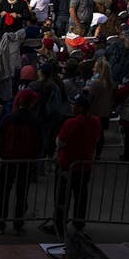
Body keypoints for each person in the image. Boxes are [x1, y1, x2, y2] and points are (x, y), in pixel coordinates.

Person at [47, 94, 101, 236]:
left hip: (67, 164)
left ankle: (59, 224)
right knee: (81, 195)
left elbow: (60, 142)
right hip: (85, 164)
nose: (72, 106)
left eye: (74, 104)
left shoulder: (71, 123)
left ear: (80, 107)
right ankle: (79, 222)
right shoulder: (95, 121)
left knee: (61, 197)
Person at [0, 89, 42, 233]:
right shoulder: (34, 121)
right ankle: (18, 223)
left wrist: (3, 154)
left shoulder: (8, 118)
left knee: (4, 191)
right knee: (22, 193)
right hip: (26, 161)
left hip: (8, 159)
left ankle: (0, 222)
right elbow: (39, 142)